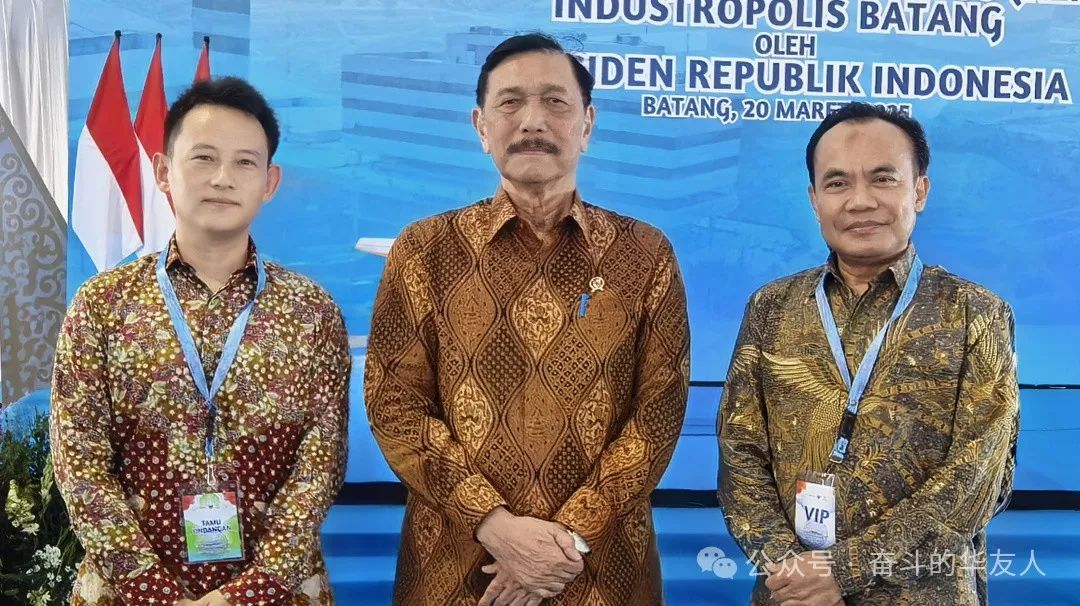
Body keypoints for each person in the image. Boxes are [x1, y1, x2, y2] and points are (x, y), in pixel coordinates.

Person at [364, 33, 690, 605]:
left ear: (587, 124)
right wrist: (495, 526)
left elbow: (658, 414)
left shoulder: (644, 253)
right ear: (481, 125)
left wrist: (566, 541)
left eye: (556, 102)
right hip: (456, 571)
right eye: (510, 102)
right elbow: (395, 404)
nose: (533, 121)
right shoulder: (424, 249)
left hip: (601, 573)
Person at [51, 77, 350, 605]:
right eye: (204, 158)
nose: (222, 179)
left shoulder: (311, 312)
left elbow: (319, 467)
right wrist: (155, 592)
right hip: (128, 593)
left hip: (277, 592)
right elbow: (80, 464)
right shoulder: (102, 304)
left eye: (244, 163)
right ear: (164, 171)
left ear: (270, 182)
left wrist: (247, 594)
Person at [717, 102, 1019, 606]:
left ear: (919, 190)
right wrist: (793, 570)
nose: (859, 201)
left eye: (883, 179)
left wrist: (842, 572)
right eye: (837, 183)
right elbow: (739, 450)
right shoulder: (771, 307)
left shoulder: (975, 314)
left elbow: (978, 477)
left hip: (925, 592)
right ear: (815, 199)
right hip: (793, 594)